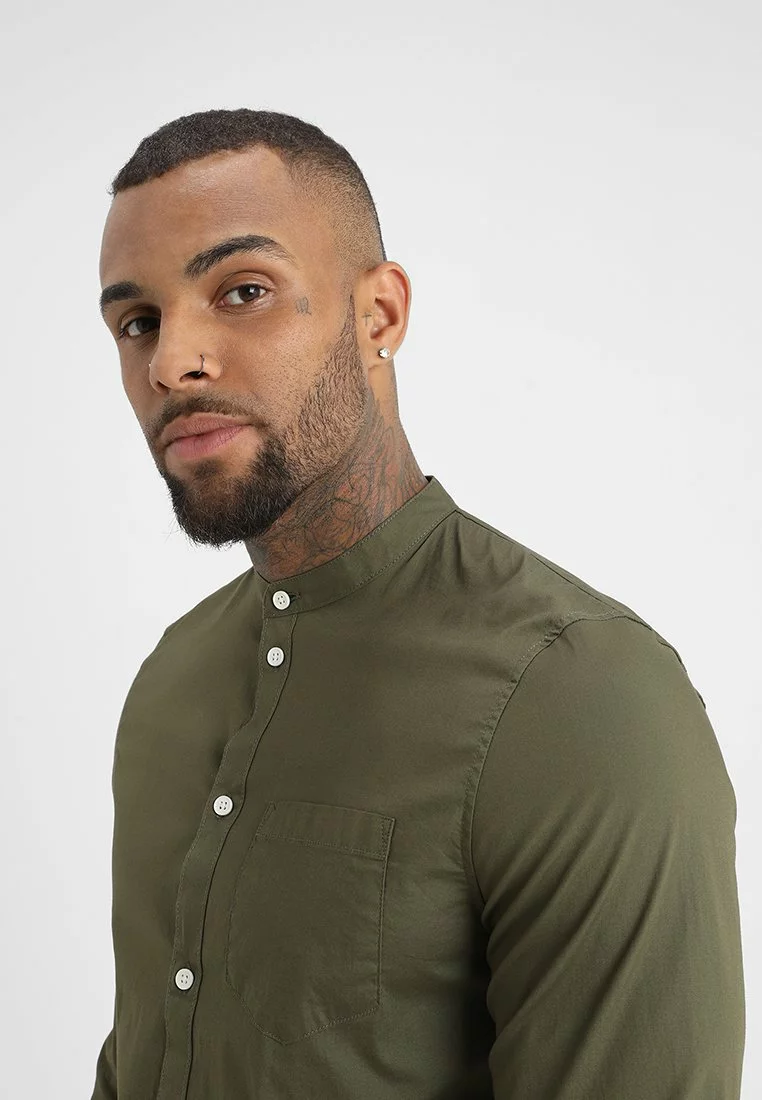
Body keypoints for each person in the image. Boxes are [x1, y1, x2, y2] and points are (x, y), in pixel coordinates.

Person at [92, 108, 745, 1099]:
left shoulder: (581, 698)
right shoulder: (171, 681)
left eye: (243, 291)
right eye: (137, 320)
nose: (170, 361)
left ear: (379, 316)